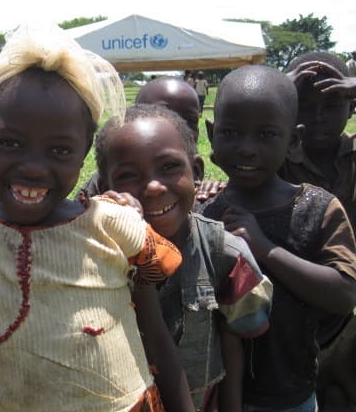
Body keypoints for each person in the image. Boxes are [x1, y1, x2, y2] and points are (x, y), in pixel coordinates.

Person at [0, 26, 193, 412]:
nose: (34, 168)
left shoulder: (108, 224)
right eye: (11, 143)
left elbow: (163, 268)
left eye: (59, 149)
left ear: (84, 150)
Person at [94, 103, 273, 411]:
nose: (152, 187)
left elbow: (235, 342)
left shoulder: (224, 253)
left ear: (198, 172)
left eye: (169, 167)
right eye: (128, 175)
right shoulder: (91, 258)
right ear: (104, 187)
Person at [198, 65, 356, 411]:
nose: (247, 148)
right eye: (231, 133)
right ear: (211, 134)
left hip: (291, 394)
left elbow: (344, 293)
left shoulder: (318, 209)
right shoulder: (202, 212)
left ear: (294, 140)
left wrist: (266, 249)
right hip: (213, 393)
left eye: (267, 135)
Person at [281, 51, 356, 411]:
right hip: (293, 307)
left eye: (332, 104)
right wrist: (281, 91)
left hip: (346, 306)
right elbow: (239, 136)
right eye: (305, 106)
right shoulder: (276, 156)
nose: (318, 117)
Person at [78, 75, 203, 198]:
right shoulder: (96, 192)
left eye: (190, 120)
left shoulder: (206, 195)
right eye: (128, 175)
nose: (178, 127)